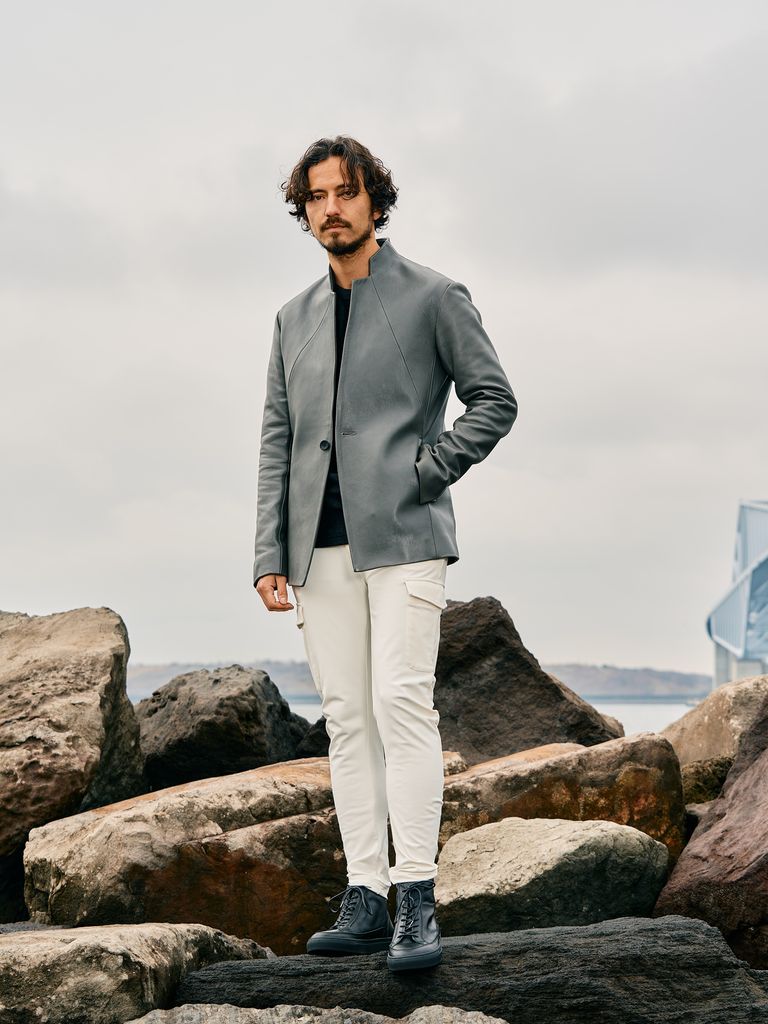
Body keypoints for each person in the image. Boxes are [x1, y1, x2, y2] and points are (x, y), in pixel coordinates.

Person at [253, 135, 518, 971]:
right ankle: (364, 895)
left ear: (375, 200)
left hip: (404, 540)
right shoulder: (291, 318)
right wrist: (269, 550)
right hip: (318, 551)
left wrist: (425, 471)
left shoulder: (434, 296)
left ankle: (416, 900)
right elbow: (277, 439)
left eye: (346, 192)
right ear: (303, 210)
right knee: (347, 720)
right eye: (316, 197)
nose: (331, 209)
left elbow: (493, 399)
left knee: (402, 707)